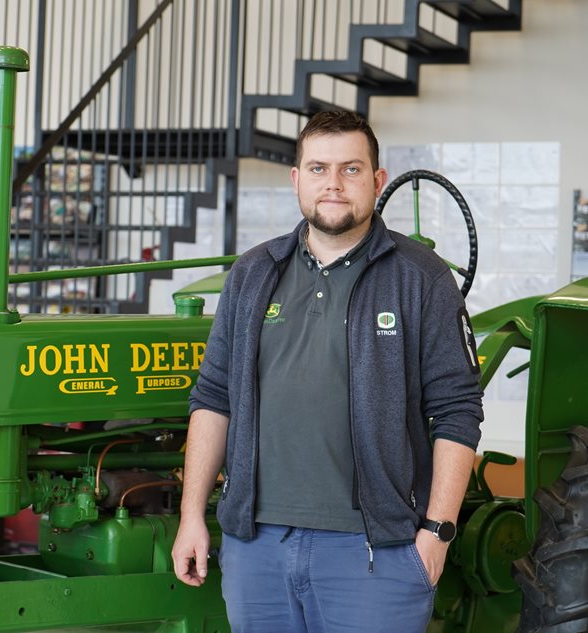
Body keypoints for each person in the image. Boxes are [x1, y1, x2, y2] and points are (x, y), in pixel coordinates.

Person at [171, 111, 484, 633]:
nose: (333, 184)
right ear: (296, 179)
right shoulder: (252, 273)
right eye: (318, 168)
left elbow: (457, 410)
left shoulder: (421, 278)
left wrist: (437, 532)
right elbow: (213, 399)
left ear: (378, 181)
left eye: (351, 169)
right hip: (257, 548)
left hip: (373, 553)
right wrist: (191, 517)